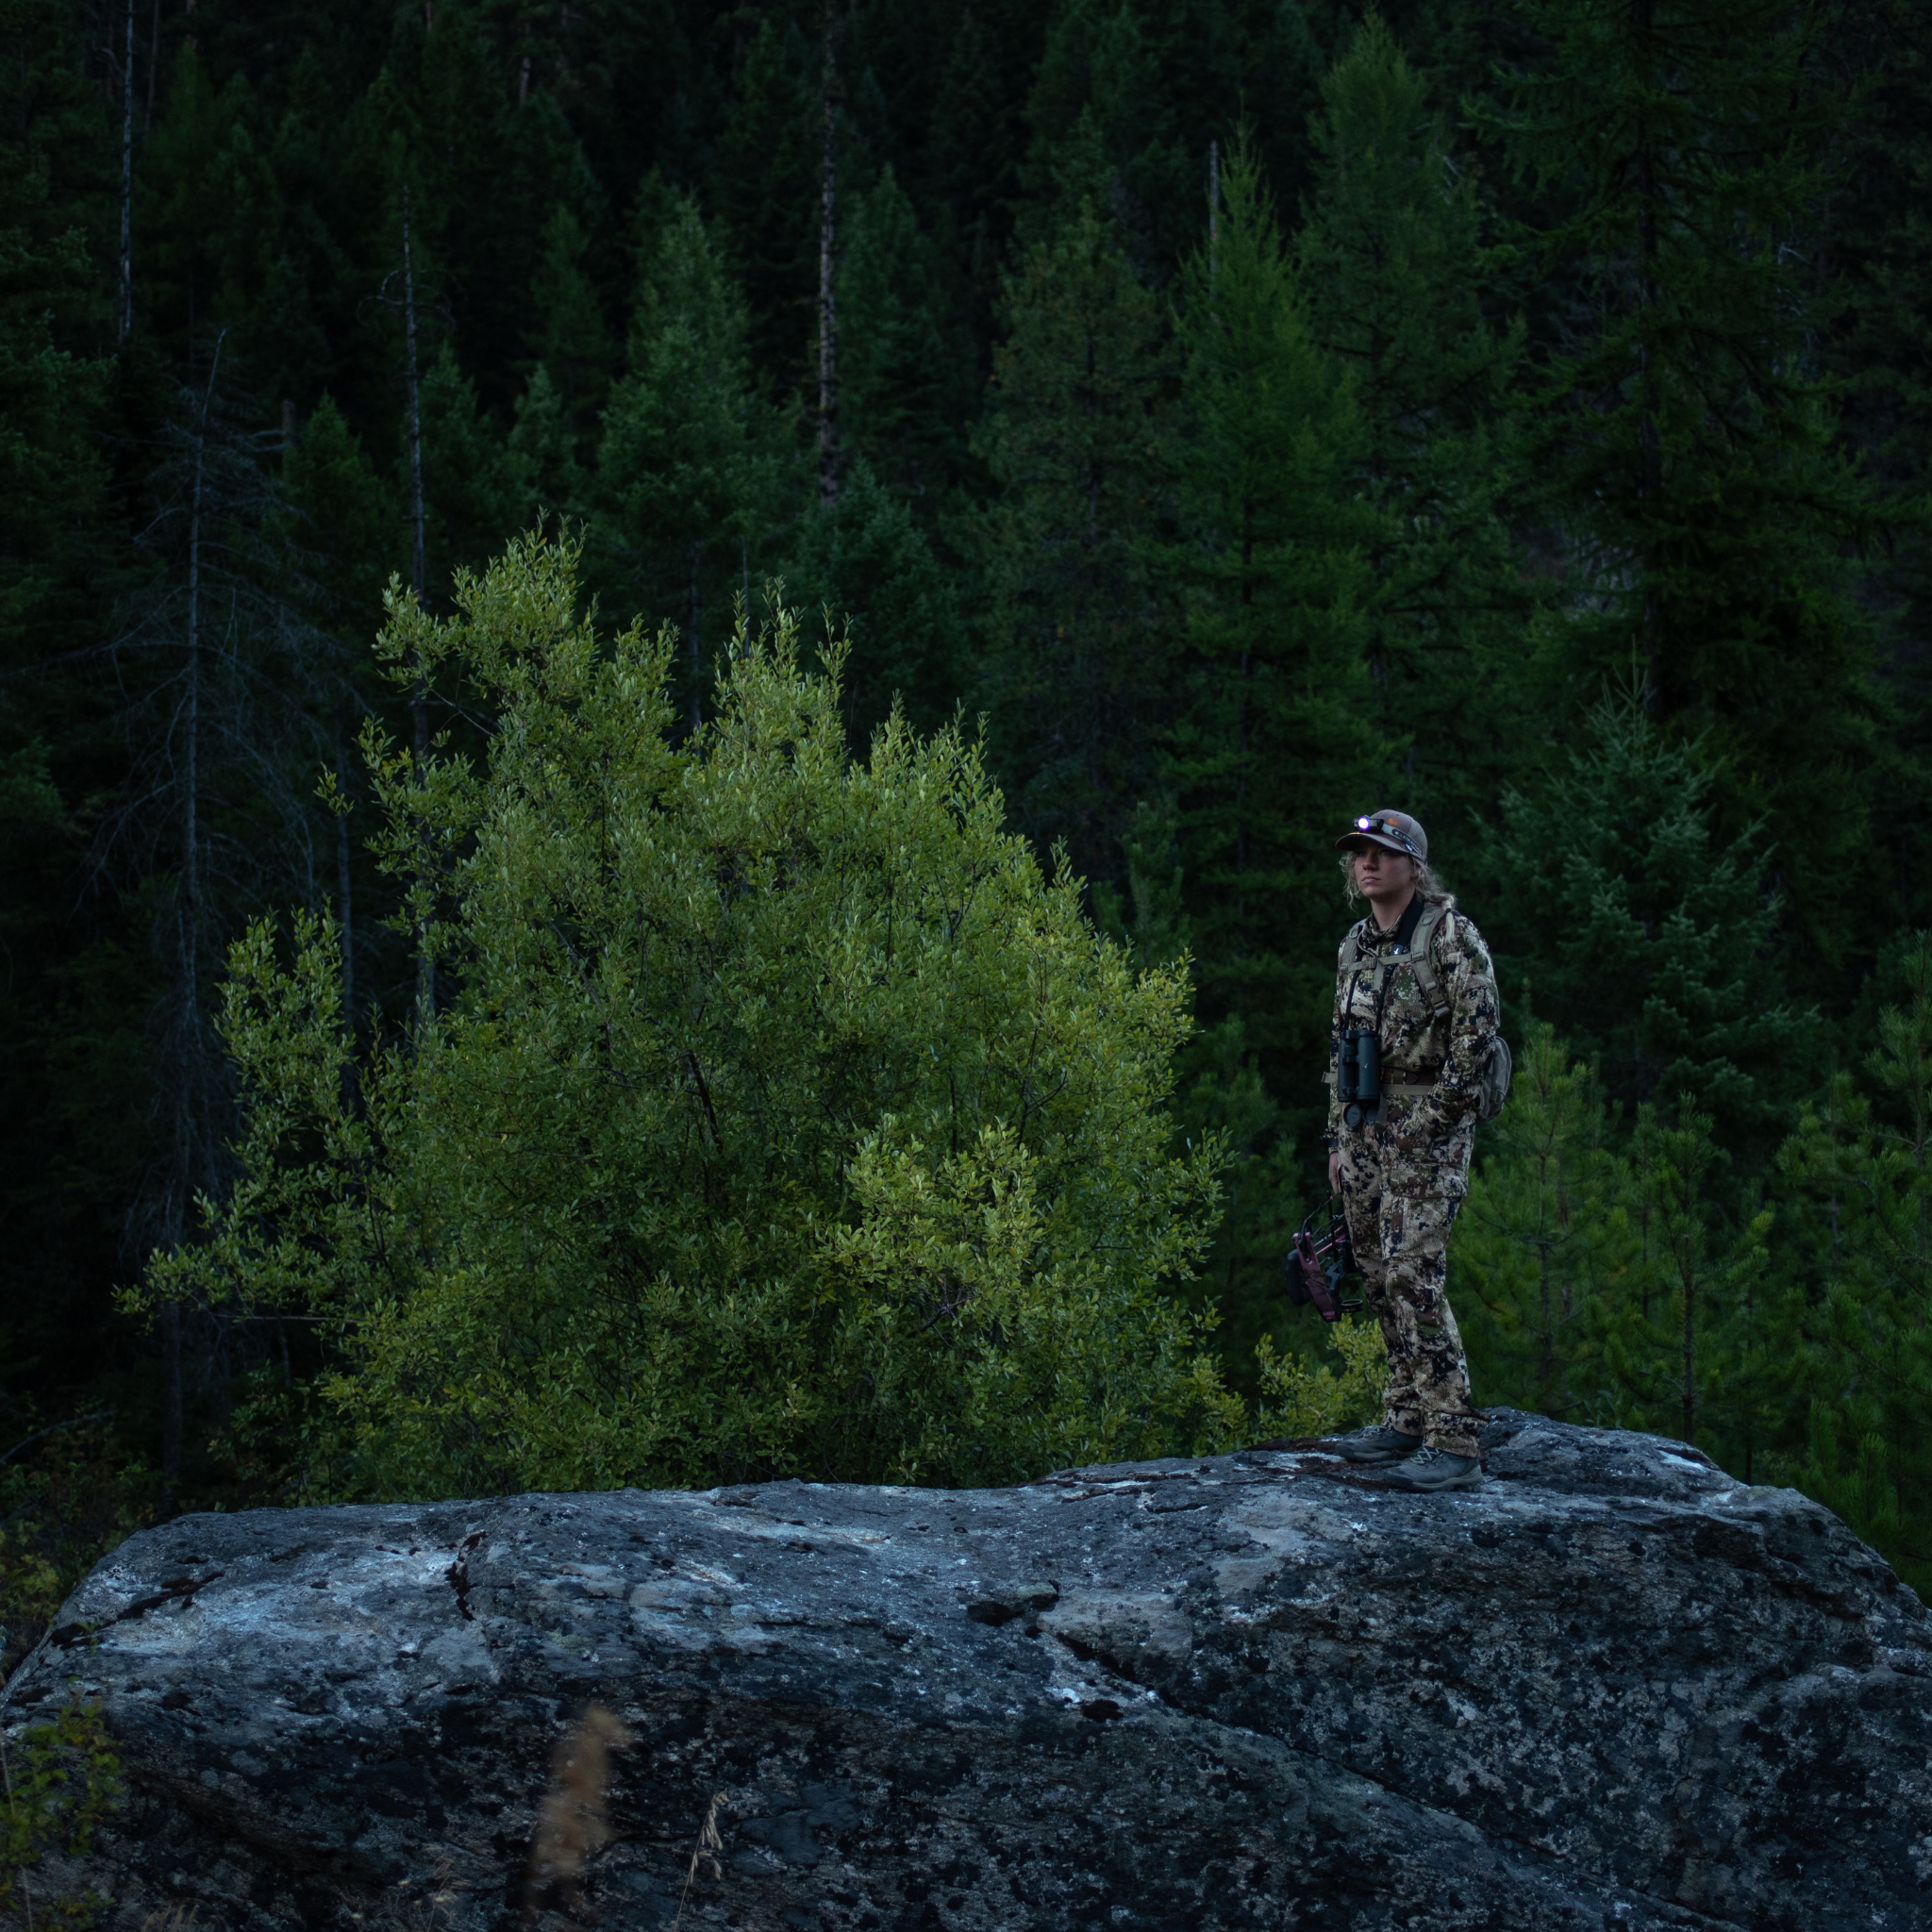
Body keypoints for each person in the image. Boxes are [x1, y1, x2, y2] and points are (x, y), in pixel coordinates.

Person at [1323, 808, 1500, 1493]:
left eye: (1381, 852)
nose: (1366, 863)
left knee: (1413, 1273)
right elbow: (1339, 1048)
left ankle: (1454, 1437)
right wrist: (1339, 1137)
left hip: (1429, 1129)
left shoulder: (1451, 936)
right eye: (1358, 854)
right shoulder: (1356, 945)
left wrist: (1428, 1126)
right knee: (1373, 1268)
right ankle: (1405, 1414)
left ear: (1412, 865)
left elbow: (1477, 1042)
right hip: (1365, 1126)